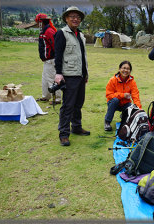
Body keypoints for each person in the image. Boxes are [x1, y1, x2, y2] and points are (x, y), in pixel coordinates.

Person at [54, 6, 89, 146]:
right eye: (72, 17)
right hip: (68, 75)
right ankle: (63, 133)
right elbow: (58, 55)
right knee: (68, 105)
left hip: (80, 75)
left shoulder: (80, 35)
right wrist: (58, 73)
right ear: (66, 19)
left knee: (78, 104)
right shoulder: (61, 33)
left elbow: (82, 56)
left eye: (78, 17)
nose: (75, 19)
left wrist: (85, 74)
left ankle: (76, 127)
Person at [104, 61, 141, 131]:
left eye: (128, 69)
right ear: (119, 69)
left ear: (130, 71)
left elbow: (135, 96)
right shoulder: (112, 80)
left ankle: (124, 116)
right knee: (115, 100)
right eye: (124, 68)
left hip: (125, 104)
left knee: (132, 106)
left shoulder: (132, 82)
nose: (125, 70)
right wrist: (123, 95)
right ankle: (107, 122)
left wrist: (138, 110)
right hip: (113, 103)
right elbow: (109, 95)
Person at [35, 13, 61, 105]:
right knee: (45, 79)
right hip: (47, 61)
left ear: (41, 22)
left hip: (51, 60)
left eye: (38, 22)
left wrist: (57, 58)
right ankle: (46, 96)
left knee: (51, 79)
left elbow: (56, 46)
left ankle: (57, 99)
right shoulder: (44, 31)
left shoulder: (49, 31)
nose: (37, 24)